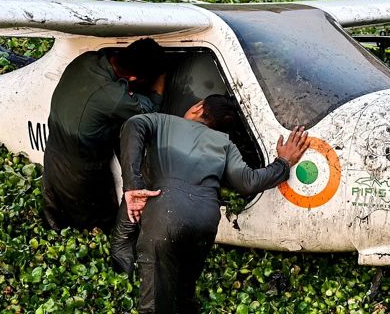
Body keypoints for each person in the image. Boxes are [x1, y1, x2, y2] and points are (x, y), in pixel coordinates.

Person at [110, 95, 310, 314]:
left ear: (198, 107)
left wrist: (133, 185)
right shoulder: (225, 144)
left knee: (155, 302)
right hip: (205, 221)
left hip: (166, 215)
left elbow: (133, 125)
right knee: (183, 290)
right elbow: (248, 182)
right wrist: (283, 163)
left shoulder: (161, 121)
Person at [42, 38, 166, 232]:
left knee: (55, 220)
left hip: (53, 155)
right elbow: (151, 112)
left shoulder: (87, 59)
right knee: (94, 228)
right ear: (133, 78)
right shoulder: (114, 96)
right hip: (80, 172)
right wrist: (162, 76)